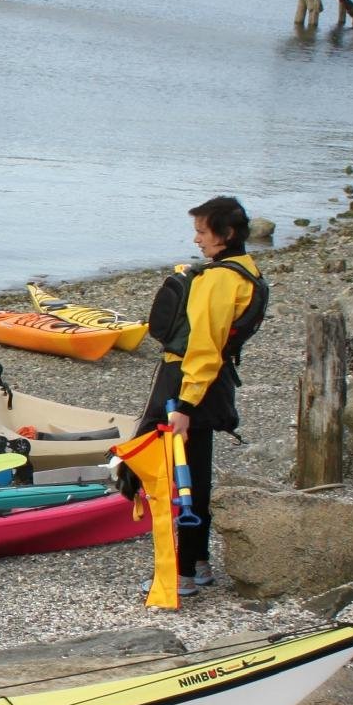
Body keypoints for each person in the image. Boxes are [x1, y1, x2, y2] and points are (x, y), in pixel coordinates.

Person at [137, 194, 269, 597]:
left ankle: (183, 574)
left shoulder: (219, 279)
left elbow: (204, 346)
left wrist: (186, 405)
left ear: (226, 234)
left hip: (190, 382)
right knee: (195, 471)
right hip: (215, 380)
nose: (197, 240)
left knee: (177, 473)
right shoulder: (247, 271)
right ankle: (199, 563)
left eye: (202, 231)